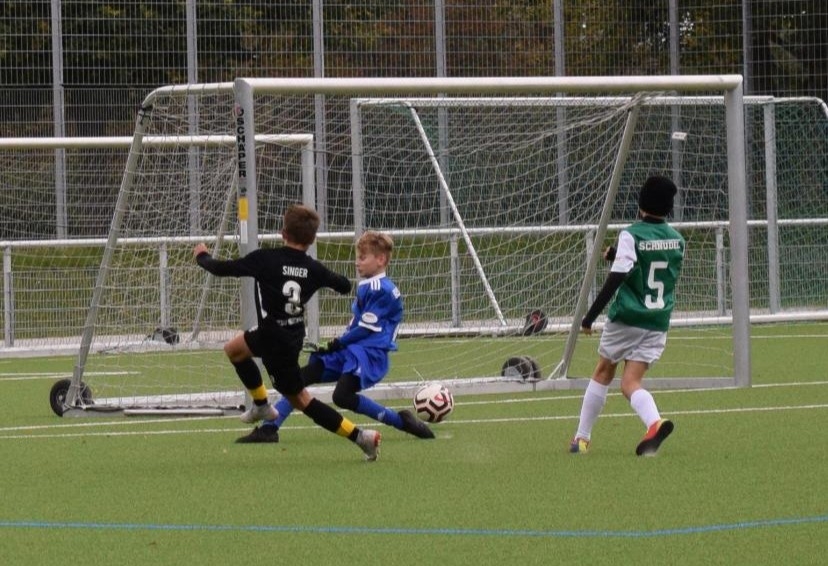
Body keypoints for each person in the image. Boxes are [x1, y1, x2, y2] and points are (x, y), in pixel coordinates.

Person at [193, 203, 382, 461]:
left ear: (283, 233)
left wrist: (202, 256)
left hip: (273, 340)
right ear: (312, 239)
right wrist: (322, 278)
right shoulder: (313, 268)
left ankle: (361, 437)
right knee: (234, 350)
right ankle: (261, 405)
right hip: (289, 335)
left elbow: (220, 268)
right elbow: (344, 286)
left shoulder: (264, 259)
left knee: (301, 400)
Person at [236, 230, 435, 443]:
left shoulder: (381, 289)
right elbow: (358, 325)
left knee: (342, 396)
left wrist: (336, 343)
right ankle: (269, 429)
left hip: (368, 354)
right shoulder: (369, 286)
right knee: (299, 379)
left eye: (362, 258)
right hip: (351, 349)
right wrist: (335, 345)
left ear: (380, 259)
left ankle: (399, 420)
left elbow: (365, 330)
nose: (357, 262)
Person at [569, 175, 685, 456]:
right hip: (657, 322)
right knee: (630, 383)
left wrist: (589, 317)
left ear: (640, 203)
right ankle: (654, 423)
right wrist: (616, 255)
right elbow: (649, 265)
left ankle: (582, 439)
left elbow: (618, 276)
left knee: (603, 370)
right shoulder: (678, 240)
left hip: (628, 318)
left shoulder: (631, 235)